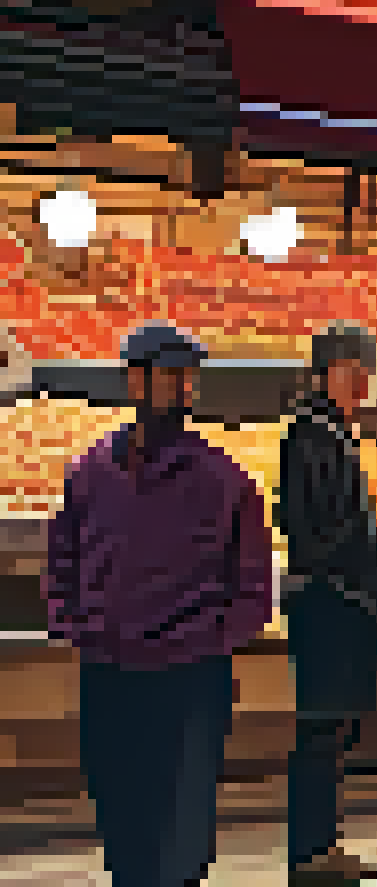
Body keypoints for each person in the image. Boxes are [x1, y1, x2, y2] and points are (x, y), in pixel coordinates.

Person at [46, 324, 273, 887]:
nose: (180, 391)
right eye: (167, 377)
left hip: (188, 679)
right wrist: (76, 624)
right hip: (109, 671)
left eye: (186, 380)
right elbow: (62, 557)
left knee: (181, 826)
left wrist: (205, 640)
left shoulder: (225, 480)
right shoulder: (91, 472)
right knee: (120, 812)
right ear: (134, 381)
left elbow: (253, 589)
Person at [280, 325, 377, 885]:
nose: (366, 382)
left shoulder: (320, 434)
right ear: (336, 371)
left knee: (330, 729)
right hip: (332, 601)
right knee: (323, 729)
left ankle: (320, 847)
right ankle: (313, 854)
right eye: (359, 370)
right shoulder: (317, 438)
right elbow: (342, 534)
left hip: (331, 597)